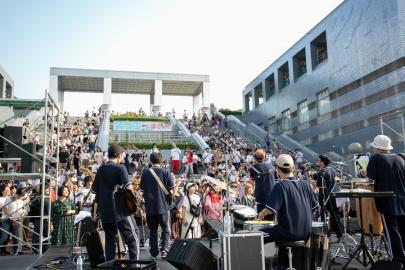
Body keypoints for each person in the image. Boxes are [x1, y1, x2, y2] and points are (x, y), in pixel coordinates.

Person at [258, 154, 318, 267]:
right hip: (306, 233)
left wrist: (260, 214)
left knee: (256, 236)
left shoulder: (280, 186)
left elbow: (269, 210)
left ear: (277, 169)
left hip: (288, 233)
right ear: (293, 168)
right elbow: (315, 207)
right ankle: (283, 264)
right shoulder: (305, 184)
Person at [91, 144, 140, 261]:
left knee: (109, 240)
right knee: (133, 237)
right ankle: (134, 264)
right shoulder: (120, 168)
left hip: (105, 212)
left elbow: (94, 190)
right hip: (121, 211)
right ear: (119, 155)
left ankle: (110, 265)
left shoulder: (101, 169)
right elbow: (128, 188)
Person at [367, 135, 405, 262]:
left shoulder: (376, 158)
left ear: (377, 147)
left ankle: (398, 258)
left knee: (391, 231)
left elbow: (370, 177)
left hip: (386, 199)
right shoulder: (400, 158)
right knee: (403, 229)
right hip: (402, 198)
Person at [140, 152, 174, 259]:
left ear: (150, 160)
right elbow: (171, 189)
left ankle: (154, 252)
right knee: (165, 229)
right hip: (163, 206)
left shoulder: (145, 173)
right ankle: (164, 250)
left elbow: (141, 189)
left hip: (150, 207)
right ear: (162, 160)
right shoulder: (165, 172)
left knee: (153, 230)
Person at [315, 154, 344, 239]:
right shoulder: (333, 170)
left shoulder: (322, 172)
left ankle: (326, 235)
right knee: (335, 216)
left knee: (324, 216)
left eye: (318, 160)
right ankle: (339, 234)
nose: (317, 161)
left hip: (326, 197)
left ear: (322, 163)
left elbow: (320, 186)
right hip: (334, 196)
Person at [249, 149, 275, 215]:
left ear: (255, 158)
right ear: (265, 157)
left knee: (261, 217)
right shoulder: (271, 166)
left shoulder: (254, 168)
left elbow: (251, 180)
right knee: (271, 217)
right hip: (272, 195)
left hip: (261, 196)